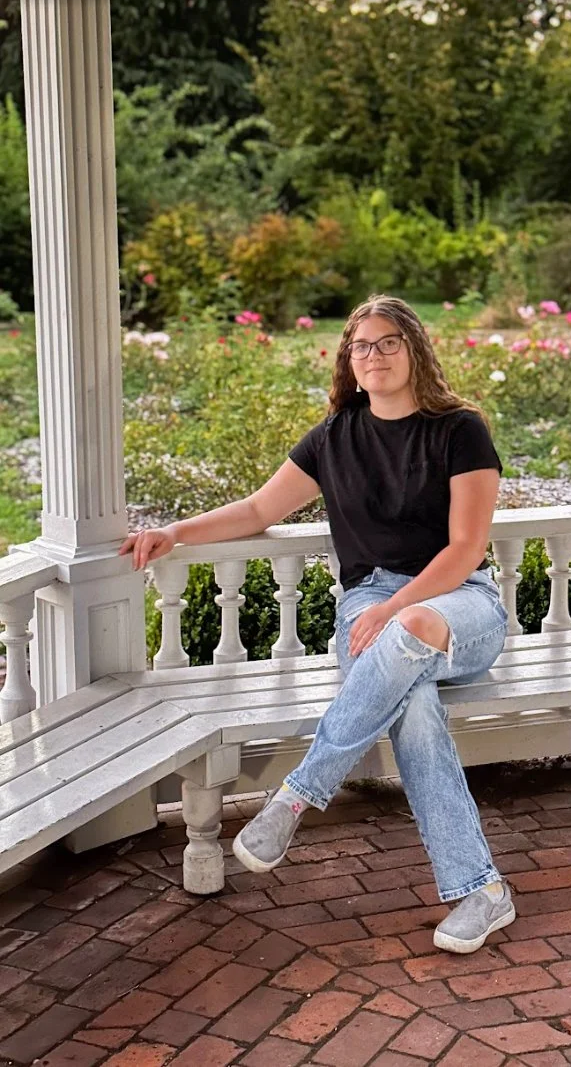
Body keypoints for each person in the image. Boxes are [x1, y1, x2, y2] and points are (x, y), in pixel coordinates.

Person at [119, 293, 514, 954]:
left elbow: (466, 548)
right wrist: (175, 531)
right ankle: (481, 891)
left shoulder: (459, 430)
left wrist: (395, 609)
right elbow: (255, 509)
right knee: (414, 711)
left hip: (459, 603)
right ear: (348, 362)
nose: (375, 354)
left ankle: (296, 798)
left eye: (389, 341)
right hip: (369, 604)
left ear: (415, 350)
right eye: (361, 346)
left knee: (413, 625)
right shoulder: (335, 438)